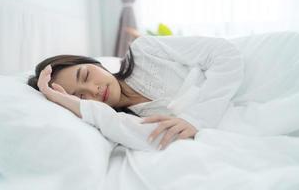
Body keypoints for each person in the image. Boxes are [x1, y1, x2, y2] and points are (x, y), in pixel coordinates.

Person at [28, 35, 245, 151]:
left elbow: (225, 53)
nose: (94, 90)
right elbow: (156, 140)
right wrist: (56, 96)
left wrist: (195, 118)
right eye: (81, 97)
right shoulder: (121, 123)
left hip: (248, 82)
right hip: (243, 127)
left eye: (85, 75)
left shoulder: (144, 50)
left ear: (92, 62)